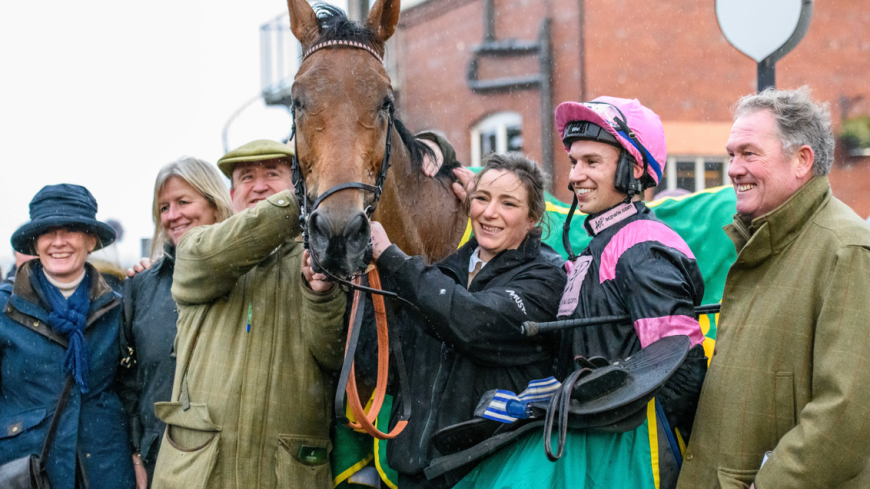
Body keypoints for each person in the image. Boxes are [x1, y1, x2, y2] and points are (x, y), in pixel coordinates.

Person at [455, 97, 707, 489]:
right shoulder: (595, 248)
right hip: (587, 443)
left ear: (634, 168)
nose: (575, 176)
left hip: (628, 456)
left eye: (591, 162)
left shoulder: (642, 247)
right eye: (574, 162)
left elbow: (682, 371)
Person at [678, 88, 870, 489]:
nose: (733, 168)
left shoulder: (846, 249)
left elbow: (848, 413)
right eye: (732, 154)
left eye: (749, 153)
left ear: (802, 160)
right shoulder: (765, 241)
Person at [150, 140, 347, 489]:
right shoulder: (197, 246)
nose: (259, 186)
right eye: (246, 177)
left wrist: (322, 295)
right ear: (230, 192)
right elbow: (224, 249)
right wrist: (296, 199)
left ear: (294, 181)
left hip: (289, 472)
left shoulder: (324, 257)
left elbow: (334, 357)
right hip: (200, 474)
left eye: (273, 174)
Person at [368, 152, 568, 488]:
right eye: (482, 198)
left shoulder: (546, 278)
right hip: (416, 475)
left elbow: (473, 322)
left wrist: (393, 259)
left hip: (495, 473)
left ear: (533, 217)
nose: (490, 212)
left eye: (508, 204)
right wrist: (331, 287)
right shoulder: (441, 273)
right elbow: (383, 367)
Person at [0, 184, 135, 489]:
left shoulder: (118, 306)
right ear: (35, 244)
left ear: (92, 240)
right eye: (48, 232)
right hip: (26, 470)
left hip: (105, 469)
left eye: (71, 231)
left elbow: (131, 389)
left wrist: (137, 457)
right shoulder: (4, 308)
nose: (58, 242)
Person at [117, 157, 233, 488]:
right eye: (164, 207)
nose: (172, 216)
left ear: (215, 203)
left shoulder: (249, 276)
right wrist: (137, 454)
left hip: (231, 460)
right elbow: (128, 381)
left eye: (184, 202)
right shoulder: (142, 285)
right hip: (162, 460)